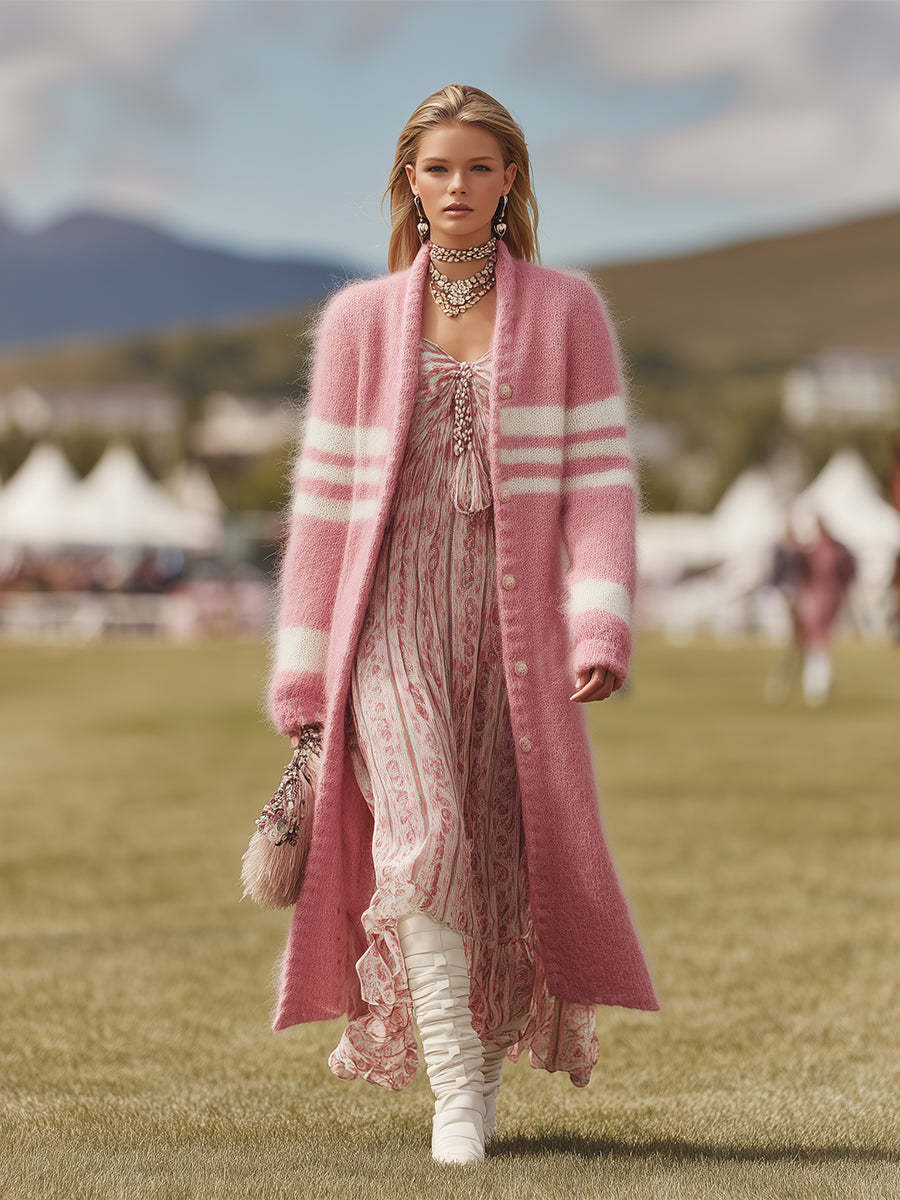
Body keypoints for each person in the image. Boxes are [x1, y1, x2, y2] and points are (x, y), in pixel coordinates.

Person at [263, 84, 659, 1166]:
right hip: (388, 623)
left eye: (479, 167)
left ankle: (479, 1089)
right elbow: (323, 511)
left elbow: (601, 485)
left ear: (510, 180)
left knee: (497, 862)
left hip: (512, 630)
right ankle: (450, 1092)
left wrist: (599, 627)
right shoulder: (357, 320)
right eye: (438, 168)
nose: (457, 186)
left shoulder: (569, 311)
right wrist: (304, 677)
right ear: (410, 180)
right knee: (426, 835)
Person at [794, 515, 857, 705]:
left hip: (829, 596)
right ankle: (816, 681)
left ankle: (818, 682)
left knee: (819, 639)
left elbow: (848, 571)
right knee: (814, 639)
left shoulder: (838, 550)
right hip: (815, 595)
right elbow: (801, 571)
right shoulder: (811, 550)